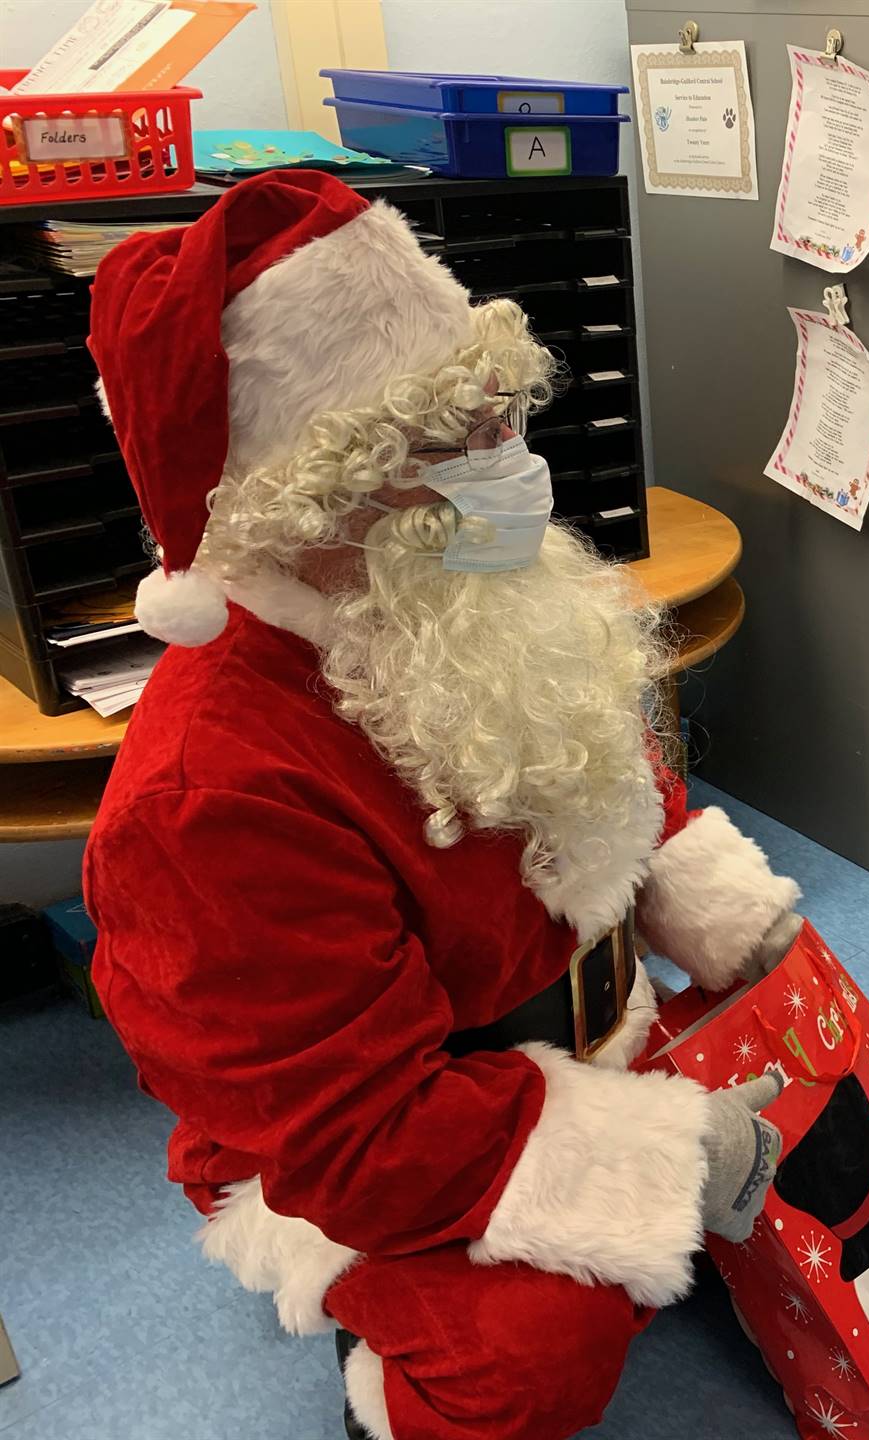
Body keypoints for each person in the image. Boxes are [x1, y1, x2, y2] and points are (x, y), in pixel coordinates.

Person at [81, 171, 806, 1440]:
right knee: (541, 1352)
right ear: (310, 497)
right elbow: (354, 1135)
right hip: (382, 1144)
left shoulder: (450, 602)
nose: (510, 470)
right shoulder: (210, 799)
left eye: (495, 422)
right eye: (448, 445)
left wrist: (710, 908)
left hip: (573, 1037)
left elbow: (602, 786)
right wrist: (675, 1150)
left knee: (789, 1045)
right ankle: (382, 1384)